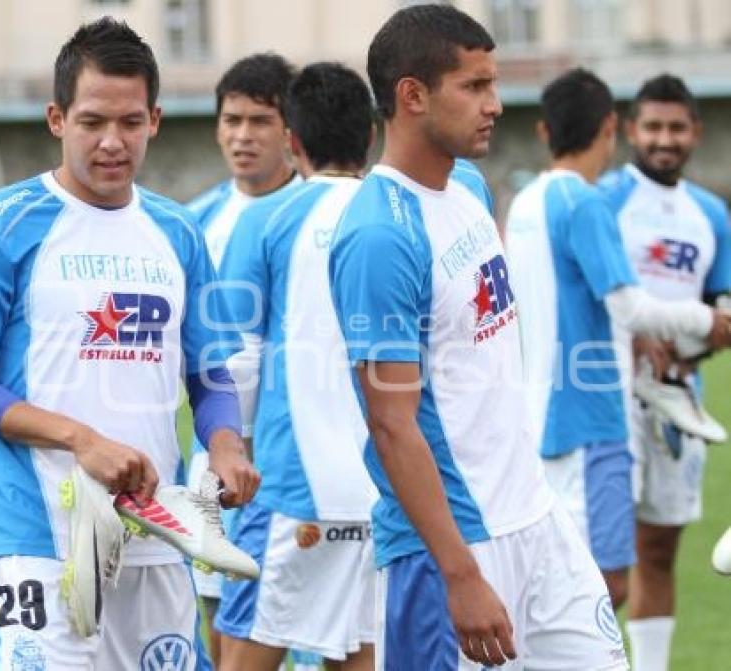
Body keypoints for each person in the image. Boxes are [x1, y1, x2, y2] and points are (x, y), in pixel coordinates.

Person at [0, 17, 259, 670]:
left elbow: (211, 373)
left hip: (156, 538)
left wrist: (225, 445)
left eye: (130, 122)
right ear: (56, 118)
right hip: (40, 539)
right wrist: (82, 439)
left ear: (155, 119)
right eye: (93, 121)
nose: (112, 142)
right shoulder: (3, 221)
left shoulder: (179, 233)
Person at [329, 6, 628, 670]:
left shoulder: (466, 184)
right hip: (453, 550)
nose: (495, 104)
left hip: (537, 519)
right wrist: (460, 574)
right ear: (413, 95)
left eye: (493, 84)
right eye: (474, 86)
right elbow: (392, 424)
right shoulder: (379, 236)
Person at [505, 68, 731, 614]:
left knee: (566, 580)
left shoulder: (525, 203)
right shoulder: (588, 202)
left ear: (543, 131)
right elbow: (629, 306)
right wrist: (705, 321)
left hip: (542, 416)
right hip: (596, 419)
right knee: (601, 588)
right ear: (614, 127)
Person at [213, 61, 378, 671]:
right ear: (370, 134)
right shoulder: (398, 215)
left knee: (247, 647)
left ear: (294, 141)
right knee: (355, 648)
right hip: (385, 485)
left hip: (292, 483)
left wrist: (239, 448)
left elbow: (240, 358)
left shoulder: (265, 219)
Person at [598, 74, 731, 671]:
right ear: (631, 130)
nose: (664, 139)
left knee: (658, 551)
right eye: (652, 126)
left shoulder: (710, 214)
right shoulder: (602, 199)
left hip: (680, 405)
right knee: (600, 563)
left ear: (695, 133)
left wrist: (689, 353)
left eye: (676, 127)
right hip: (604, 403)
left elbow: (721, 309)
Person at [181, 51, 301, 668]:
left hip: (300, 457)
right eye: (232, 120)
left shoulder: (319, 212)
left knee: (322, 633)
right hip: (220, 460)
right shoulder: (194, 223)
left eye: (259, 120)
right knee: (221, 622)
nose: (242, 135)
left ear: (291, 129)